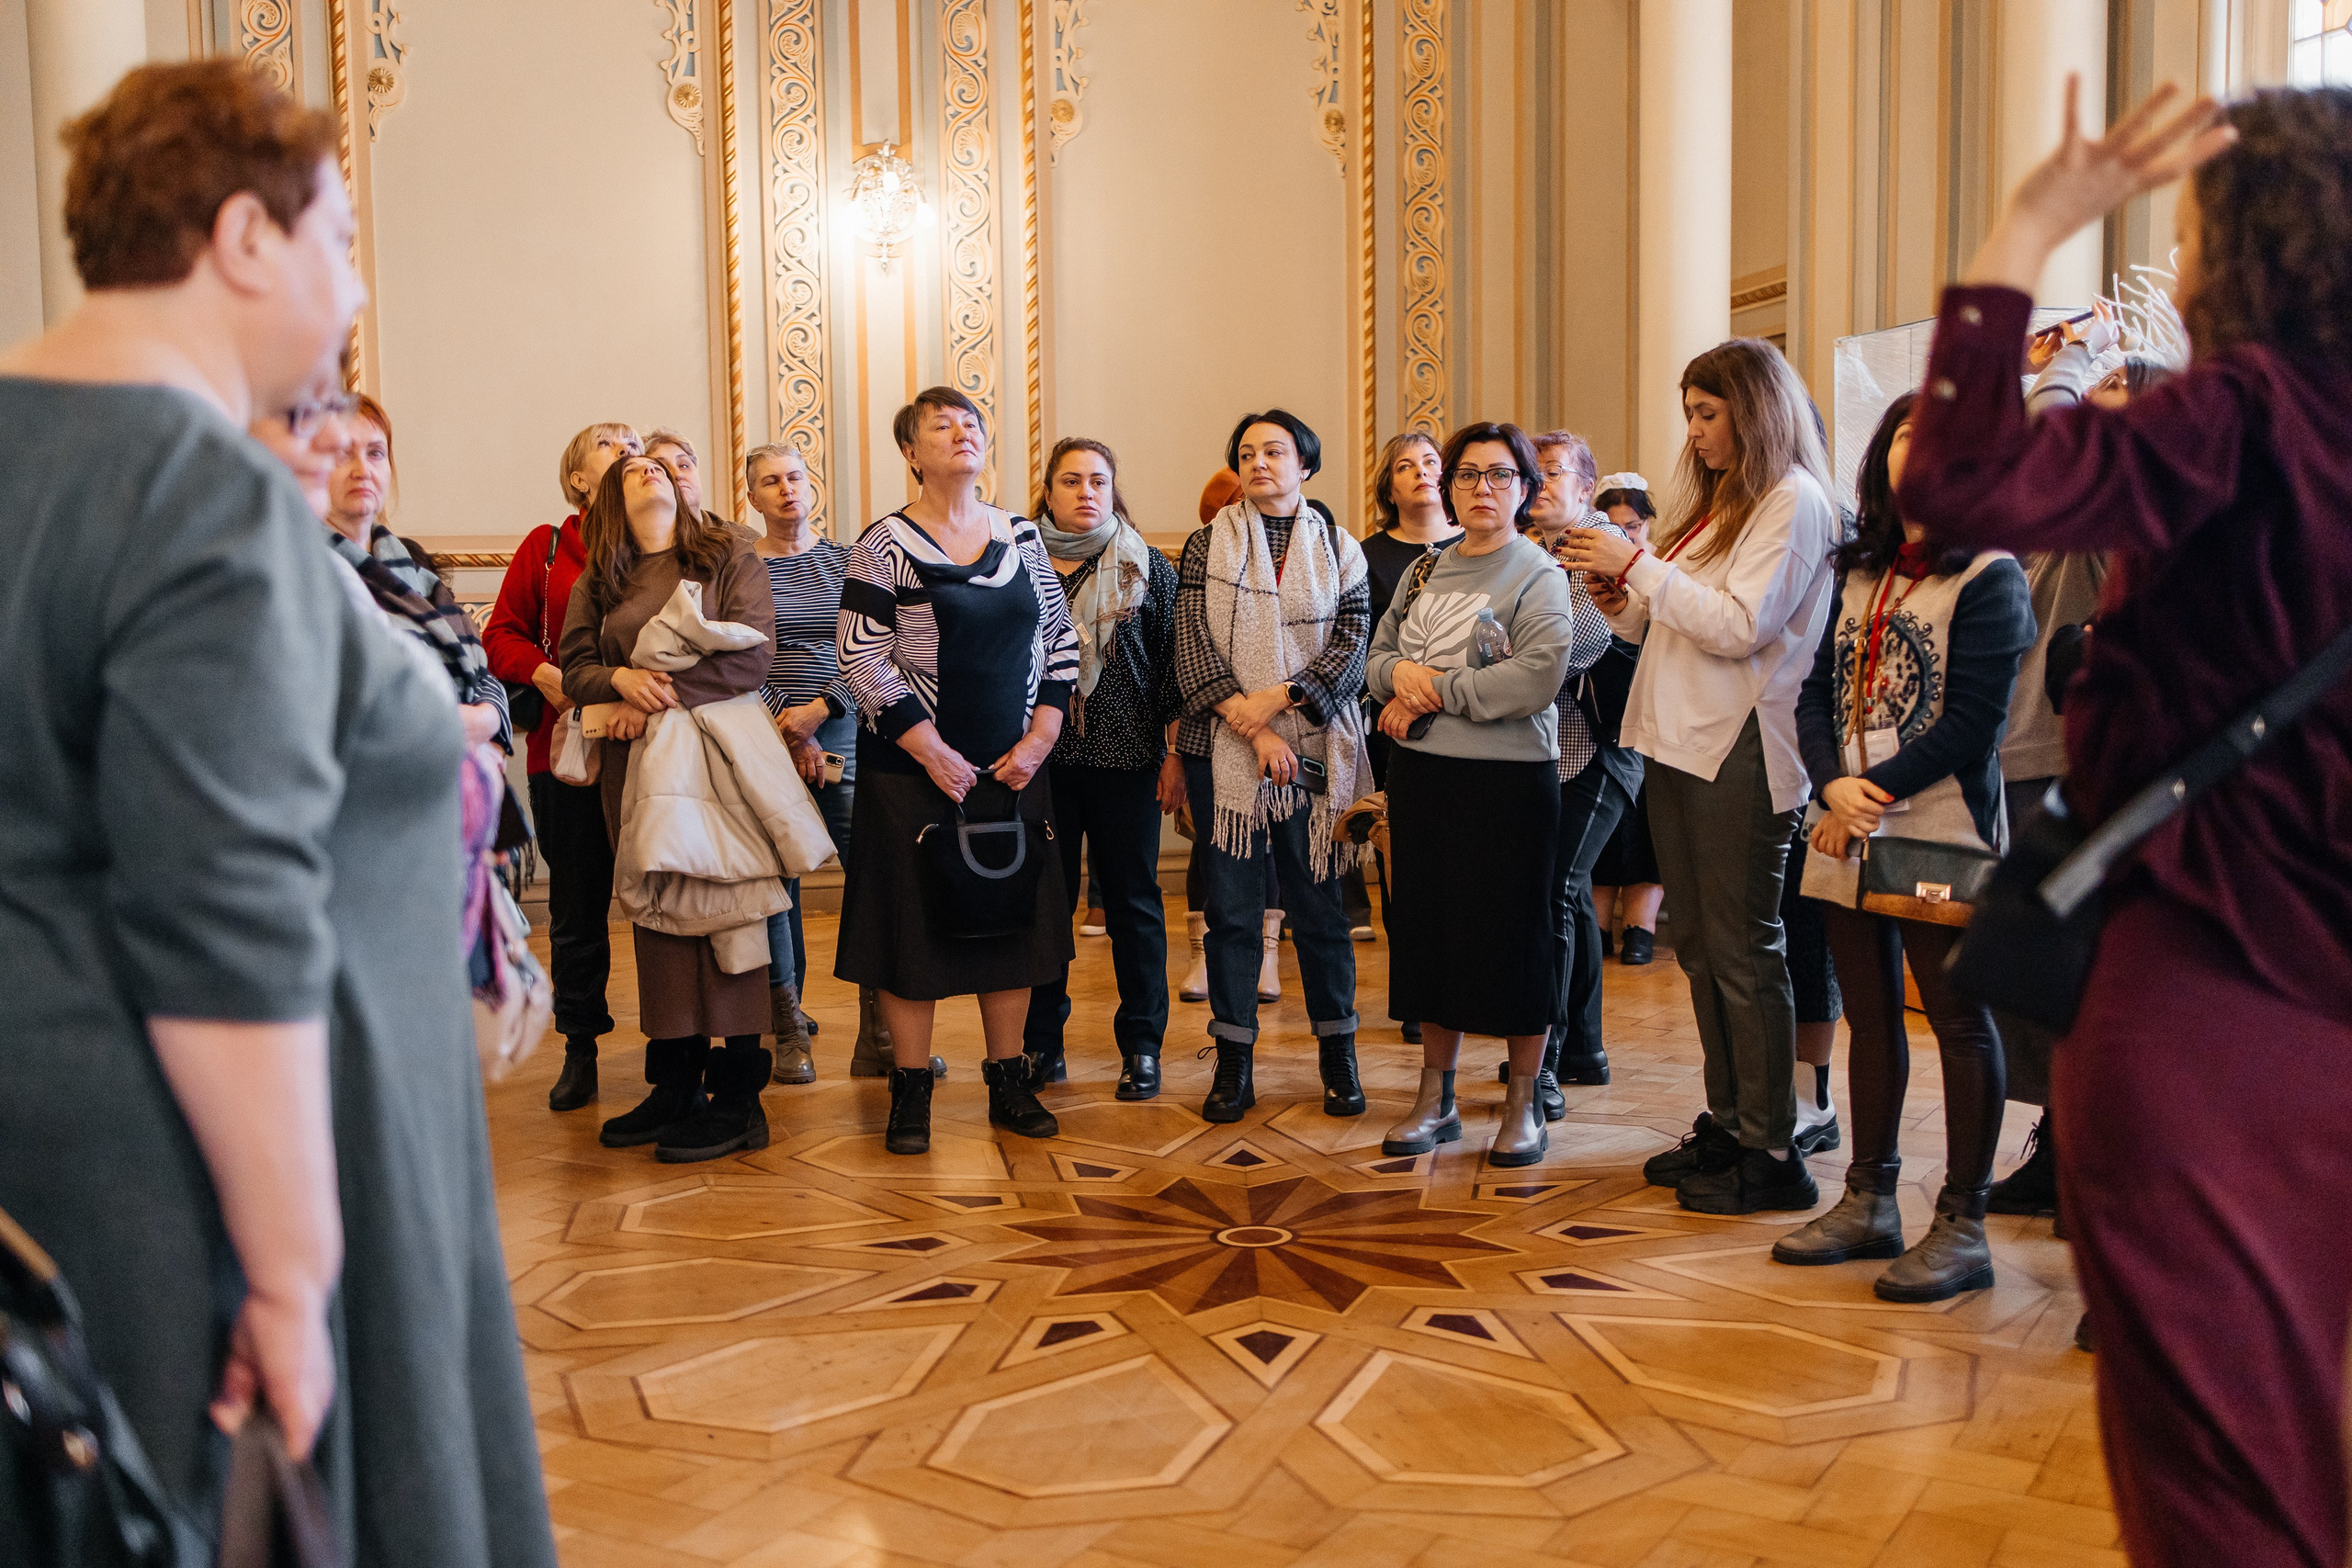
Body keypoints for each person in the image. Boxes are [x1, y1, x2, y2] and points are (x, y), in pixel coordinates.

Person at [0, 59, 555, 1568]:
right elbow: (221, 917)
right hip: (199, 1181)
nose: (354, 284)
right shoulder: (195, 487)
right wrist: (297, 1274)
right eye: (345, 239)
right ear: (245, 239)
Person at [1900, 80, 2352, 1568]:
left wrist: (2034, 222)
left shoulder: (2242, 408)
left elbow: (1958, 480)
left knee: (2230, 1470)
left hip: (2221, 977)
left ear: (2245, 239)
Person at [1558, 338, 1839, 1216]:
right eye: (1689, 413)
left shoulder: (1795, 499)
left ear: (1754, 411)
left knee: (1746, 950)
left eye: (1708, 413)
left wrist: (1636, 567)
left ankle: (1773, 1147)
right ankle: (1730, 1120)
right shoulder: (1730, 505)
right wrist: (1628, 605)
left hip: (1745, 746)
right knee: (1705, 951)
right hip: (1682, 738)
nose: (1695, 430)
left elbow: (1741, 626)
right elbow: (1682, 626)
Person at [1772, 392, 2032, 1301]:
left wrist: (1868, 794)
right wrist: (1829, 784)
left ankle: (1961, 1223)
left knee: (1957, 1019)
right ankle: (1867, 1200)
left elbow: (1973, 721)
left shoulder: (1990, 573)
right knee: (1868, 1012)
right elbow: (1809, 693)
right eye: (1905, 435)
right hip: (1844, 820)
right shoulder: (1859, 571)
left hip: (1936, 824)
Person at [834, 387, 1080, 1155]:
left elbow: (1060, 639)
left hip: (1012, 769)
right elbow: (860, 653)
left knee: (1012, 926)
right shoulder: (885, 542)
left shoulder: (1021, 535)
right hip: (913, 776)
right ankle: (911, 1090)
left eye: (971, 421)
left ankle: (1008, 1078)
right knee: (914, 935)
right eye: (942, 425)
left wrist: (1042, 735)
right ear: (911, 452)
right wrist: (930, 748)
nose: (962, 431)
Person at [560, 453, 780, 1163]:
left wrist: (656, 696)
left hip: (719, 758)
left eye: (660, 464)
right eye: (634, 470)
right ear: (611, 502)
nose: (650, 471)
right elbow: (574, 668)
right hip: (637, 766)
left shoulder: (730, 556)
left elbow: (752, 656)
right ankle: (676, 1082)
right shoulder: (602, 578)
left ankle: (741, 1098)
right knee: (659, 915)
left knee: (730, 909)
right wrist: (619, 679)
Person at [1367, 423, 1574, 1166]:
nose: (1482, 488)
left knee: (1516, 939)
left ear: (1524, 488)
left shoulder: (1539, 574)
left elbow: (1536, 677)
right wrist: (1401, 681)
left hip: (1510, 780)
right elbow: (1377, 658)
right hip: (1425, 779)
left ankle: (1522, 1102)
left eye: (1500, 475)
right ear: (1448, 486)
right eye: (1468, 475)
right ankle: (1436, 1095)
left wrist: (1432, 692)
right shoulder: (1425, 571)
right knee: (1429, 935)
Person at [1173, 409, 1374, 1123]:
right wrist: (1254, 729)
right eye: (1248, 453)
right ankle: (1232, 1065)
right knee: (1230, 914)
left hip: (1317, 748)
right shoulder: (1204, 546)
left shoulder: (1343, 548)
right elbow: (1191, 649)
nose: (1260, 462)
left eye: (1276, 451)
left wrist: (1283, 700)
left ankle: (1338, 1058)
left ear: (1306, 466)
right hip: (1227, 752)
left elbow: (1351, 648)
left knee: (1321, 913)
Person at [483, 420, 640, 1111]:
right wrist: (546, 673)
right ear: (577, 477)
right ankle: (581, 1046)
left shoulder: (661, 538)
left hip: (651, 752)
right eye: (609, 442)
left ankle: (680, 1047)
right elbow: (499, 635)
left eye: (634, 440)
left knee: (670, 900)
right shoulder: (548, 546)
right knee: (577, 911)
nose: (627, 448)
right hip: (568, 754)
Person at [1022, 436, 1183, 1100]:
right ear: (1050, 492)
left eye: (1097, 480)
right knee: (1042, 906)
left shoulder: (1150, 567)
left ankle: (1141, 1047)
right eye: (1071, 481)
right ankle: (1040, 1044)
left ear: (1112, 489)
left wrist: (1174, 755)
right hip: (1040, 763)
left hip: (1129, 762)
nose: (1085, 492)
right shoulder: (1017, 564)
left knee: (1134, 906)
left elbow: (1174, 670)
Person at [1517, 430, 1633, 1114]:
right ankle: (1583, 1047)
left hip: (1605, 744)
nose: (1538, 483)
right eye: (1531, 472)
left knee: (1556, 891)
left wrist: (1508, 664)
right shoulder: (1533, 552)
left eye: (1552, 472)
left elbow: (1579, 646)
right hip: (1547, 744)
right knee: (1570, 892)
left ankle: (1546, 1066)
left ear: (1586, 487)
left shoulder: (1600, 548)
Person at [325, 393, 512, 754]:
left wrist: (490, 719)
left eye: (375, 453)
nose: (362, 469)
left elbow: (482, 672)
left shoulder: (417, 570)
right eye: (342, 453)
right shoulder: (302, 568)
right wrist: (457, 726)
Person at [744, 441, 847, 1084]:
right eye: (770, 481)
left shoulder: (846, 561)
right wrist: (789, 722)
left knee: (871, 873)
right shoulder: (741, 570)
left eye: (794, 477)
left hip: (848, 728)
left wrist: (819, 710)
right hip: (763, 732)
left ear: (811, 487)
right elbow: (740, 653)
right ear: (751, 497)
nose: (786, 489)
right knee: (779, 881)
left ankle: (883, 1032)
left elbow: (871, 643)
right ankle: (788, 1027)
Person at [1356, 432, 1460, 1043]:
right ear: (1389, 486)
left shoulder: (1478, 548)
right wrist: (1402, 692)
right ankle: (1417, 992)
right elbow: (1369, 646)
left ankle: (1461, 987)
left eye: (1430, 462)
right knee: (1404, 868)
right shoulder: (1366, 555)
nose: (1420, 472)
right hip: (1393, 728)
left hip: (1468, 725)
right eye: (1405, 465)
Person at [1588, 473, 1667, 964]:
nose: (1624, 536)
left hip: (1652, 705)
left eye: (1632, 526)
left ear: (1647, 525)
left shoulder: (1663, 570)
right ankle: (1596, 925)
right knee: (1606, 819)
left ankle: (1642, 927)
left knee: (1647, 821)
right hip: (1600, 710)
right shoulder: (1584, 571)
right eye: (1612, 528)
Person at [645, 424, 759, 543]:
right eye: (662, 469)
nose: (677, 475)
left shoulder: (744, 538)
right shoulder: (630, 547)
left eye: (683, 465)